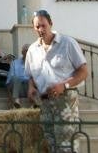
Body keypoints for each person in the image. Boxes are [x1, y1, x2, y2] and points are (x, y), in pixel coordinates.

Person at [25, 10, 88, 153]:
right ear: (33, 28)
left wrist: (64, 85)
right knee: (50, 143)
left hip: (65, 100)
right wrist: (31, 88)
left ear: (51, 24)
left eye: (43, 25)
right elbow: (31, 75)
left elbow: (84, 71)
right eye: (37, 27)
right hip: (44, 102)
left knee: (67, 145)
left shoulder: (67, 43)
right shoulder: (32, 50)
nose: (41, 29)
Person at [6, 43, 31, 109]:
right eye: (26, 51)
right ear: (22, 52)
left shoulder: (35, 64)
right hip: (16, 88)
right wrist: (9, 96)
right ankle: (16, 101)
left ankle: (36, 103)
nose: (28, 53)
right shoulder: (15, 63)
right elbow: (9, 80)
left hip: (29, 89)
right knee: (15, 78)